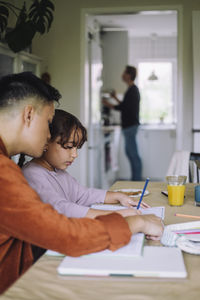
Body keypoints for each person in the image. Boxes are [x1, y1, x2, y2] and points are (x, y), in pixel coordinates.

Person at [0, 72, 163, 294]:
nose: (49, 134)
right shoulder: (4, 173)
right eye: (49, 123)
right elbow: (66, 234)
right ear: (28, 115)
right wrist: (137, 223)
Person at [22, 109, 149, 219]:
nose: (75, 154)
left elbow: (84, 194)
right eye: (69, 146)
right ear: (46, 141)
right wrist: (117, 214)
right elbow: (62, 208)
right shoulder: (32, 174)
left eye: (77, 148)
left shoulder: (58, 172)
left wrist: (119, 196)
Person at [103, 65, 142, 181]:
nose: (122, 75)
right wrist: (115, 97)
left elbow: (123, 107)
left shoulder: (133, 90)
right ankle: (136, 180)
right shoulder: (131, 90)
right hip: (129, 127)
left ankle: (137, 181)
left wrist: (107, 104)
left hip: (130, 127)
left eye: (124, 73)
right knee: (130, 153)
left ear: (129, 75)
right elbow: (125, 105)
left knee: (133, 155)